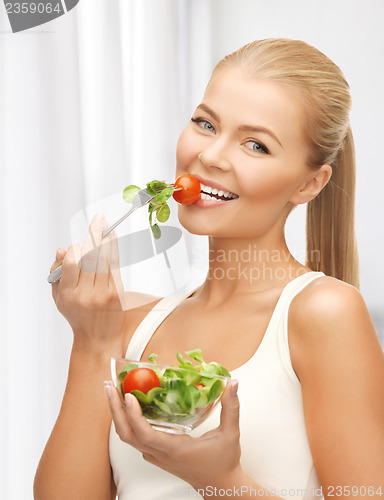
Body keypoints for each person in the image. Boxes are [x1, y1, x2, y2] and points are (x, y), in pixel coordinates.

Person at [34, 38, 384, 499]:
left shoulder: (323, 313)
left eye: (255, 145)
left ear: (309, 183)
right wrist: (90, 342)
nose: (212, 156)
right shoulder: (133, 327)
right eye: (205, 123)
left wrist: (220, 481)